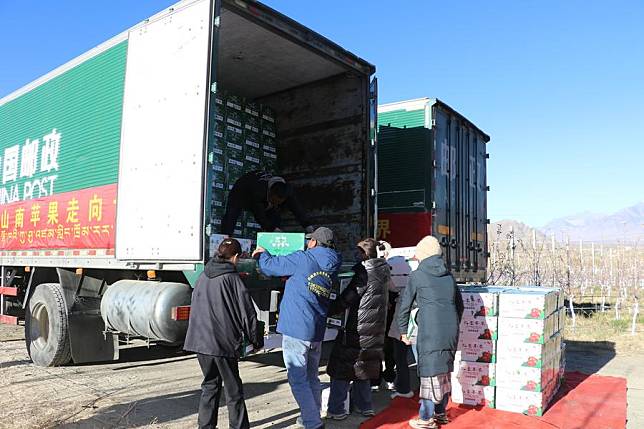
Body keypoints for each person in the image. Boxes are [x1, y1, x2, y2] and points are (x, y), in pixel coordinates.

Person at [252, 227, 341, 429]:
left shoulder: (303, 259)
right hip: (316, 329)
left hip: (297, 328)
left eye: (309, 240)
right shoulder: (333, 263)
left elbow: (271, 267)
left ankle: (312, 422)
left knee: (298, 378)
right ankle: (312, 415)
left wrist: (262, 254)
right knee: (311, 376)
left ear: (314, 242)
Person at [184, 238, 264, 429]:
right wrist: (256, 340)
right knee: (233, 390)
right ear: (235, 257)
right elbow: (247, 313)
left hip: (200, 342)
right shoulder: (232, 278)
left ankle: (205, 427)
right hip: (222, 343)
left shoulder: (203, 276)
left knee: (209, 387)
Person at [398, 236, 464, 429]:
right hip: (450, 330)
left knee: (428, 372)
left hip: (429, 331)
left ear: (423, 254)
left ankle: (426, 419)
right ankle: (441, 413)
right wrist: (452, 324)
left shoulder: (417, 275)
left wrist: (403, 331)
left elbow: (404, 306)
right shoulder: (449, 276)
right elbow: (459, 306)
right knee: (443, 371)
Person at [325, 238, 390, 420]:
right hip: (375, 327)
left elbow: (349, 297)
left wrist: (328, 308)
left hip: (357, 327)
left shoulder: (364, 273)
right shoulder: (383, 270)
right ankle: (366, 406)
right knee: (364, 367)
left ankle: (336, 409)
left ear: (363, 254)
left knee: (342, 368)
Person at [221, 170, 313, 235]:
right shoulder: (258, 192)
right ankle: (225, 239)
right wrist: (272, 229)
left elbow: (297, 209)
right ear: (270, 193)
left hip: (263, 198)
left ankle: (273, 245)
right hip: (241, 192)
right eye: (274, 201)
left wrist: (308, 226)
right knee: (231, 216)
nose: (276, 204)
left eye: (279, 202)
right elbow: (260, 216)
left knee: (275, 217)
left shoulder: (287, 192)